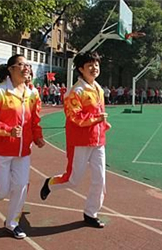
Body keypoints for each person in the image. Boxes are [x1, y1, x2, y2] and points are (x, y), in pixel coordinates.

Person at [40, 51, 111, 228]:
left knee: (100, 179)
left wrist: (103, 125)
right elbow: (75, 117)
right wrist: (97, 120)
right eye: (90, 66)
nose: (94, 68)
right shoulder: (76, 91)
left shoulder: (98, 88)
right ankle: (50, 183)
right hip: (80, 141)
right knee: (73, 180)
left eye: (96, 65)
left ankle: (91, 213)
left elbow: (99, 114)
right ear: (81, 69)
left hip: (98, 141)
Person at [0, 54, 45, 239]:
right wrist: (7, 130)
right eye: (22, 64)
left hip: (23, 150)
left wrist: (38, 136)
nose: (26, 68)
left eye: (28, 65)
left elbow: (35, 119)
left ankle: (12, 223)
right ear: (11, 69)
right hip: (1, 149)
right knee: (1, 191)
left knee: (21, 185)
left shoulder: (32, 93)